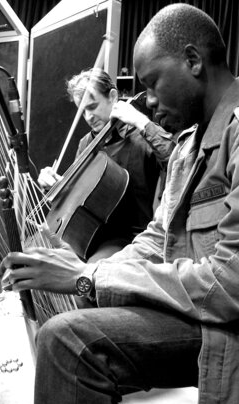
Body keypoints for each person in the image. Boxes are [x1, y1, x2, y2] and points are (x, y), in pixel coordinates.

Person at [1, 4, 239, 404]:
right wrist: (88, 276)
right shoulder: (189, 144)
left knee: (72, 342)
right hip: (205, 316)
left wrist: (90, 277)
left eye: (152, 83)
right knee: (65, 324)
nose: (146, 101)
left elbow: (234, 285)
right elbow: (157, 238)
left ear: (193, 60)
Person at [38, 68, 175, 261]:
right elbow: (80, 201)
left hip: (130, 238)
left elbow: (177, 159)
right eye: (82, 111)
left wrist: (141, 122)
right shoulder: (86, 144)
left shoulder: (141, 136)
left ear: (112, 96)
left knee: (85, 271)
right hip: (91, 234)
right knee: (40, 259)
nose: (88, 117)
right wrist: (59, 186)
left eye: (92, 106)